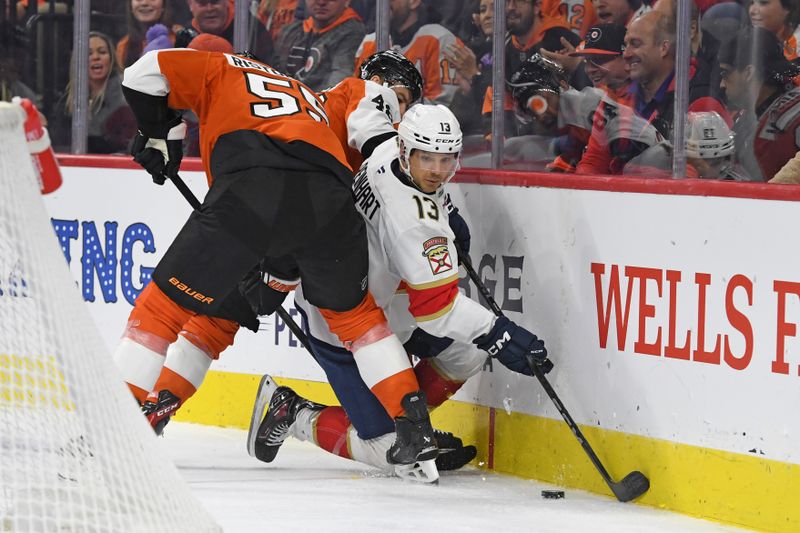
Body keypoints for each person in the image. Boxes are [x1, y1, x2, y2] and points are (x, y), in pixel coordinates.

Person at [117, 47, 439, 470]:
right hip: (327, 212)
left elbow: (142, 74)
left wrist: (162, 130)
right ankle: (414, 425)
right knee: (359, 322)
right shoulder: (315, 98)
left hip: (253, 198)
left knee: (165, 312)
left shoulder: (221, 67)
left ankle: (121, 423)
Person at [248, 104, 553, 482]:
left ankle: (413, 424)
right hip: (343, 324)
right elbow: (437, 311)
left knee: (467, 352)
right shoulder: (411, 224)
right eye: (428, 158)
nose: (438, 171)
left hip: (387, 305)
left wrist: (445, 206)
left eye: (447, 159)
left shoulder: (385, 146)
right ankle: (293, 413)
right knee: (391, 452)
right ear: (408, 150)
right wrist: (500, 334)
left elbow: (363, 114)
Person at [719, 26, 800, 181]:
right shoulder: (753, 116)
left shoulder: (779, 128)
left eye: (725, 73)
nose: (722, 84)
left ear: (749, 72)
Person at [353, 0, 461, 106]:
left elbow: (441, 106)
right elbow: (355, 97)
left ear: (413, 2)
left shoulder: (439, 39)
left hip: (420, 122)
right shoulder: (369, 42)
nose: (385, 4)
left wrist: (396, 106)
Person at [50, 32, 137, 154]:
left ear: (111, 58)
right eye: (88, 53)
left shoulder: (127, 94)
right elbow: (59, 143)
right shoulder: (66, 103)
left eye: (102, 52)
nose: (96, 57)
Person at [273, 0, 365, 91]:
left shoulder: (354, 33)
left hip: (319, 102)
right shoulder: (291, 31)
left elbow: (338, 83)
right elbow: (273, 72)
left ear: (347, 1)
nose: (321, 2)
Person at [187, 0, 273, 62]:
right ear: (190, 4)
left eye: (215, 2)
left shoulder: (253, 32)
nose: (209, 9)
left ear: (226, 2)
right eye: (202, 3)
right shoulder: (185, 35)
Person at [117, 0, 180, 68]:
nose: (144, 3)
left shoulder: (179, 37)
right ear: (131, 6)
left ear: (164, 5)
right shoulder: (124, 45)